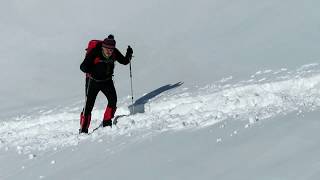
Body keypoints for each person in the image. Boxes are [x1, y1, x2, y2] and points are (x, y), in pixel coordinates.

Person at [79, 34, 133, 134]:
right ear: (103, 47)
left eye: (111, 49)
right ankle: (83, 129)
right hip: (92, 81)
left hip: (107, 81)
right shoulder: (95, 52)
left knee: (113, 100)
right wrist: (88, 67)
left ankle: (107, 122)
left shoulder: (114, 53)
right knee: (88, 106)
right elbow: (82, 67)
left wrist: (129, 54)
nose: (109, 51)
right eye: (107, 49)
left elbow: (124, 61)